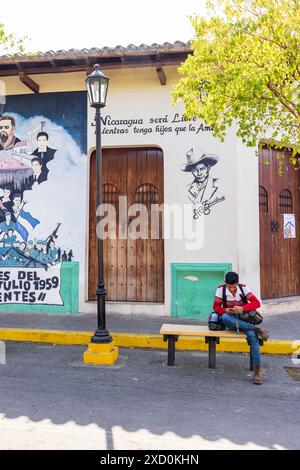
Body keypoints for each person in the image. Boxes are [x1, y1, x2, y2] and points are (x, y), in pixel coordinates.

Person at [212, 271, 270, 385]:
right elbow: (216, 306)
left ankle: (257, 370)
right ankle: (256, 329)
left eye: (233, 287)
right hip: (231, 321)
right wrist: (225, 310)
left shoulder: (243, 288)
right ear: (225, 283)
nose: (232, 289)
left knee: (253, 337)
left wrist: (242, 308)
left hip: (244, 320)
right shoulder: (221, 289)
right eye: (229, 287)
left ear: (237, 283)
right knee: (224, 317)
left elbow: (256, 303)